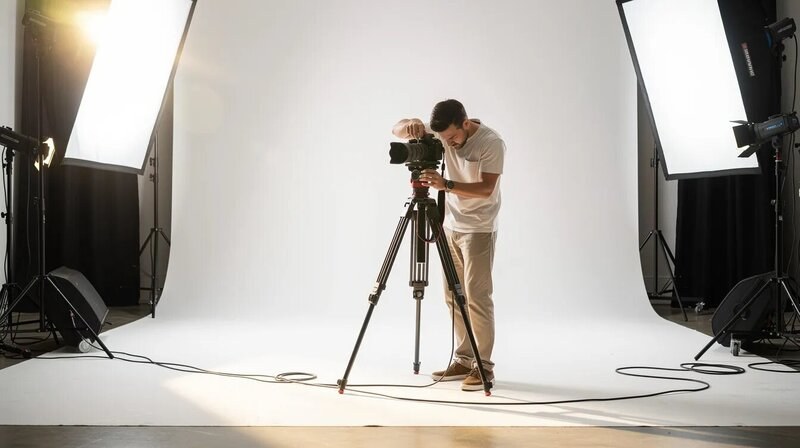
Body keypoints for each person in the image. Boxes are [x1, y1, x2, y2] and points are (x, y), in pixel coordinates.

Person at [392, 99, 505, 391]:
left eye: (453, 138)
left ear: (465, 124)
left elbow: (486, 188)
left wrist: (447, 186)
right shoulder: (444, 132)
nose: (448, 144)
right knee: (452, 297)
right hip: (450, 226)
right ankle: (464, 359)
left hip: (479, 229)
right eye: (443, 139)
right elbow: (396, 130)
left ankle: (484, 368)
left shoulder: (491, 143)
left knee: (477, 298)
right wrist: (410, 125)